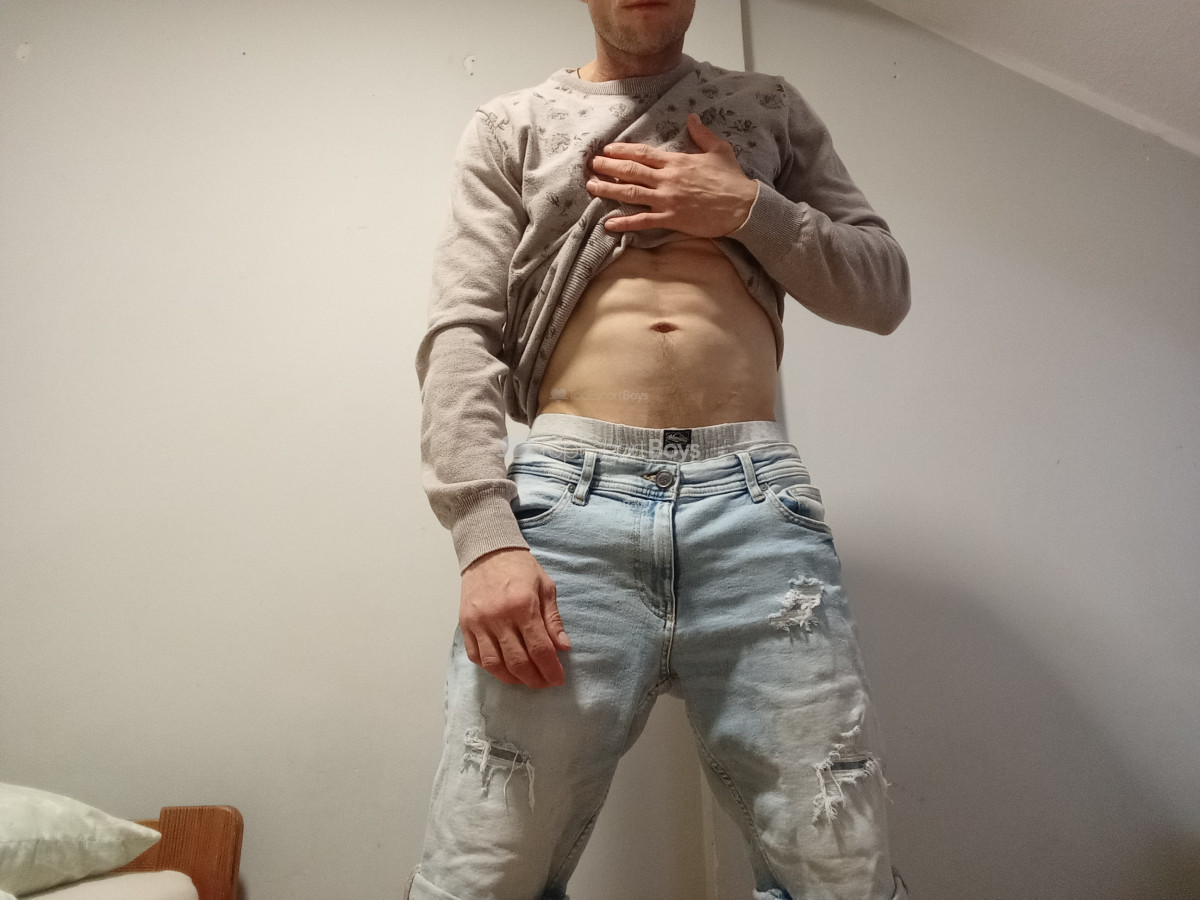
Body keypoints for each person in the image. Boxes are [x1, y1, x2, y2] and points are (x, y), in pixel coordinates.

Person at [411, 0, 911, 897]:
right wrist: (483, 537)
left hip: (755, 502)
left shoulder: (768, 107)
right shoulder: (511, 124)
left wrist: (748, 208)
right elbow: (462, 334)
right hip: (565, 507)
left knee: (841, 870)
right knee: (483, 871)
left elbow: (884, 291)